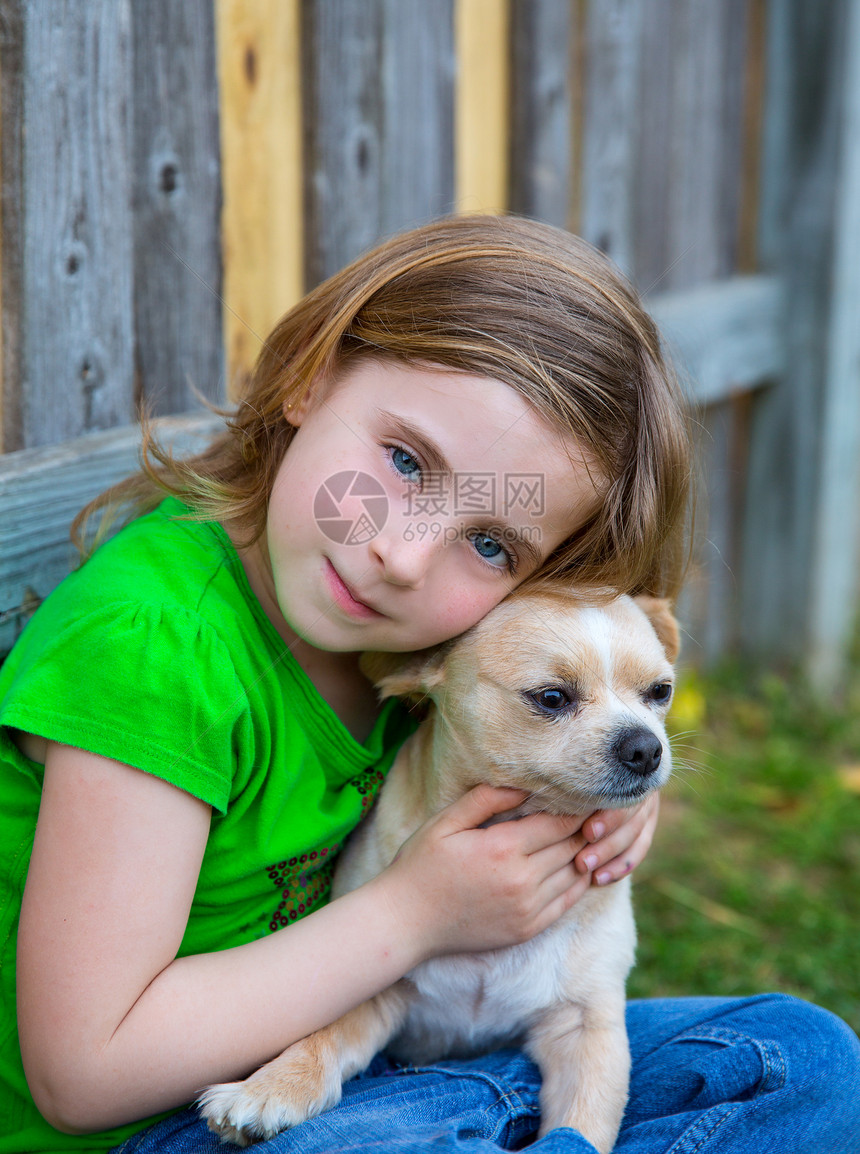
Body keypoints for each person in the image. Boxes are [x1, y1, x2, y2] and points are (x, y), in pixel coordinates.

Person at [0, 215, 856, 1154]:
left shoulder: (441, 639)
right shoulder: (158, 648)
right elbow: (80, 1075)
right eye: (405, 462)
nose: (400, 557)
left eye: (489, 543)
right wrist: (415, 912)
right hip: (175, 1121)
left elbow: (565, 689)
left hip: (396, 1070)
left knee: (799, 1058)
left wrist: (608, 783)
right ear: (307, 378)